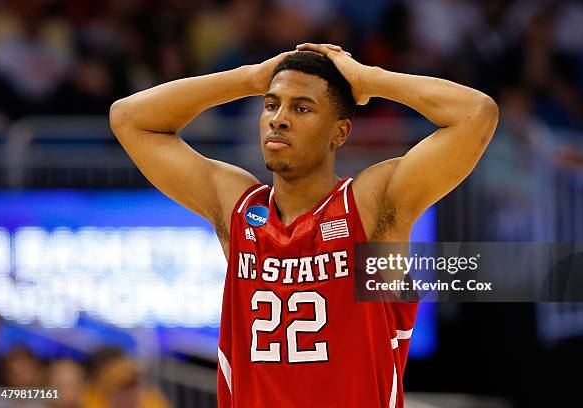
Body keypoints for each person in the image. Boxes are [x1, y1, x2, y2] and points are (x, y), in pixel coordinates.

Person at [110, 43, 498, 407]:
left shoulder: (369, 207)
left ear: (340, 132)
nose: (278, 119)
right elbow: (128, 118)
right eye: (271, 104)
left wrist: (368, 79)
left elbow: (476, 114)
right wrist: (249, 78)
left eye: (301, 108)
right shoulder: (239, 209)